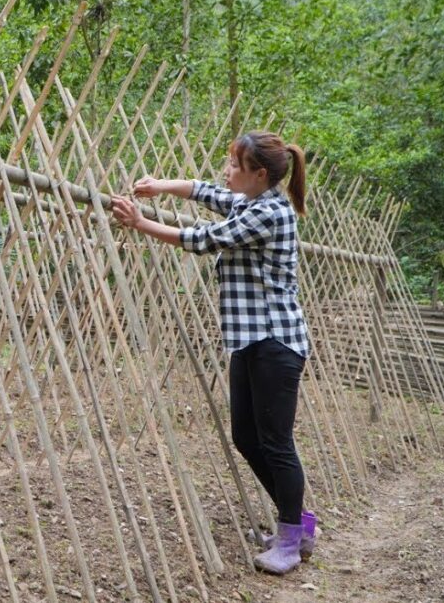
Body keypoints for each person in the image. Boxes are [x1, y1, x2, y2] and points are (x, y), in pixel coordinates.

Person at [109, 131, 317, 575]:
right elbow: (205, 192)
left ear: (259, 174)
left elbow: (204, 239)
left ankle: (290, 538)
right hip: (249, 340)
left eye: (235, 165)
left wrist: (140, 223)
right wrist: (160, 185)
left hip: (275, 343)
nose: (227, 171)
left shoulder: (270, 213)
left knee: (276, 443)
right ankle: (297, 523)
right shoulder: (249, 200)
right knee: (246, 437)